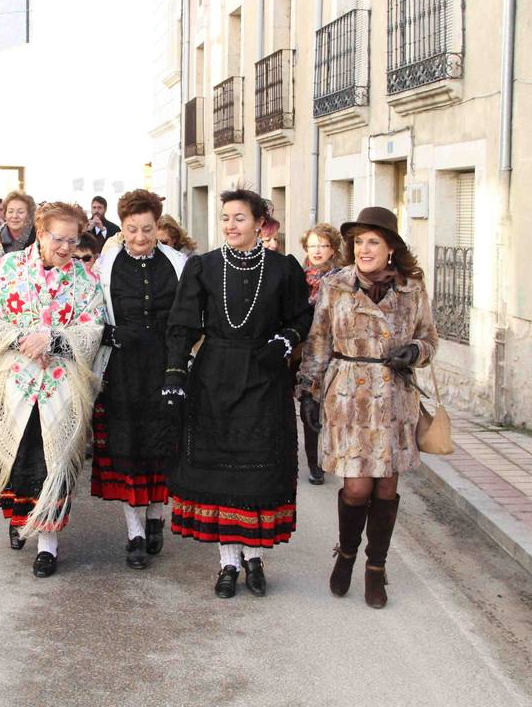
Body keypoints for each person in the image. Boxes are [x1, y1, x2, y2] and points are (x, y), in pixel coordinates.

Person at [162, 188, 313, 598]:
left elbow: (303, 314)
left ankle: (255, 557)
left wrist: (286, 340)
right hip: (214, 378)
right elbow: (182, 324)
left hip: (264, 378)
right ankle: (228, 563)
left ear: (260, 222)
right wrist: (175, 372)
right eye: (225, 217)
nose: (230, 225)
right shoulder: (203, 267)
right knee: (221, 473)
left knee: (257, 474)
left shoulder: (284, 268)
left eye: (239, 218)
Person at [0, 202, 105, 577]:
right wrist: (21, 335)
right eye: (59, 239)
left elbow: (93, 329)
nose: (67, 247)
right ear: (41, 233)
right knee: (20, 460)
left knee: (53, 464)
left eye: (73, 240)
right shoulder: (7, 269)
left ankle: (48, 545)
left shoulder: (85, 281)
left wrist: (53, 338)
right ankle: (21, 519)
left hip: (61, 389)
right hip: (14, 385)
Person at [298, 206, 438, 609]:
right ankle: (346, 553)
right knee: (357, 486)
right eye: (358, 242)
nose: (364, 249)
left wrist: (415, 350)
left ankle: (376, 568)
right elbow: (319, 338)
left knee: (387, 486)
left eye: (373, 241)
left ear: (391, 247)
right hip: (349, 398)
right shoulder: (336, 285)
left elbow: (429, 337)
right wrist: (308, 388)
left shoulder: (412, 287)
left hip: (394, 397)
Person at [91, 190, 188, 569]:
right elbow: (91, 308)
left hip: (165, 364)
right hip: (123, 368)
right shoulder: (106, 264)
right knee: (128, 447)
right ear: (123, 228)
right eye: (132, 229)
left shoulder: (178, 263)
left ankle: (155, 520)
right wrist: (105, 333)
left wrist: (180, 366)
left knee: (161, 444)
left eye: (147, 229)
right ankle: (133, 533)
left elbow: (188, 318)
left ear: (157, 226)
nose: (140, 237)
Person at [295, 223, 343, 486]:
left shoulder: (342, 280)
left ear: (333, 249)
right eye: (312, 245)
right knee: (307, 408)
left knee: (331, 410)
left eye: (322, 245)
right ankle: (315, 465)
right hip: (303, 354)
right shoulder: (299, 278)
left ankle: (331, 455)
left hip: (333, 353)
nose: (317, 250)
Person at [0, 190, 36, 267]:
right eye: (10, 211)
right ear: (5, 214)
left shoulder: (39, 237)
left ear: (29, 215)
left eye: (20, 212)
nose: (14, 216)